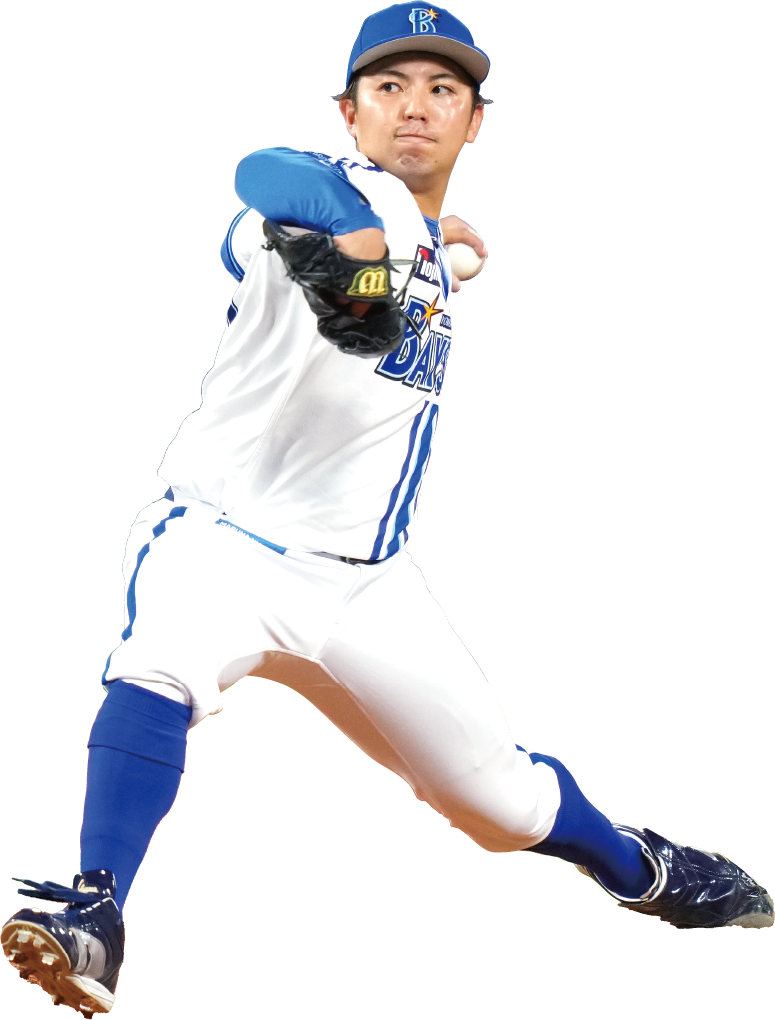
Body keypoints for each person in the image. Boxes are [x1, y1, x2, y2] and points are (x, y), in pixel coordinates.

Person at [2, 4, 771, 1017]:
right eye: (388, 87)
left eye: (442, 90)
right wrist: (363, 245)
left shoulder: (425, 248)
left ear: (474, 121)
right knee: (162, 663)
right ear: (349, 112)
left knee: (499, 807)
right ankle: (95, 914)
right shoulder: (312, 207)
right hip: (226, 540)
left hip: (368, 586)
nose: (414, 107)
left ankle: (643, 870)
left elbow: (408, 271)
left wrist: (430, 251)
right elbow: (263, 175)